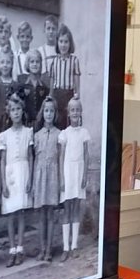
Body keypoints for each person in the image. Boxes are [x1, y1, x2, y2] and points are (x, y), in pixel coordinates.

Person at [0, 93, 33, 266]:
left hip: (23, 171)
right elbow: (3, 160)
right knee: (10, 214)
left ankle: (20, 248)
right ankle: (11, 249)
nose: (16, 112)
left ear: (22, 110)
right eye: (12, 110)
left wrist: (30, 178)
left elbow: (31, 157)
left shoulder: (28, 132)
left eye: (18, 109)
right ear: (9, 113)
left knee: (21, 213)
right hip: (10, 174)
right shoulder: (4, 135)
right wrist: (3, 183)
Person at [58, 97, 91, 260]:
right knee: (67, 209)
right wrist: (62, 179)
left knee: (76, 208)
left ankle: (74, 245)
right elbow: (62, 156)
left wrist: (85, 175)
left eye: (78, 109)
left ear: (81, 112)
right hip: (68, 171)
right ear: (68, 113)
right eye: (72, 110)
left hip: (79, 171)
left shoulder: (84, 133)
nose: (75, 112)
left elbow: (86, 154)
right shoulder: (64, 134)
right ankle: (65, 247)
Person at [33, 97, 60, 262]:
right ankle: (42, 248)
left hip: (52, 176)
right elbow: (35, 159)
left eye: (51, 111)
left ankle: (49, 249)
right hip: (40, 176)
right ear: (42, 113)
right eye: (46, 110)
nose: (48, 114)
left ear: (55, 113)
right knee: (41, 215)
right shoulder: (37, 135)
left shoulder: (59, 134)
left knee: (50, 214)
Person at [49, 24, 80, 130]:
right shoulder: (54, 60)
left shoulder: (74, 60)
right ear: (57, 43)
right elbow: (52, 79)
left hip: (69, 94)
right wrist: (51, 94)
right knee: (57, 120)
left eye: (66, 42)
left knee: (68, 121)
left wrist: (77, 93)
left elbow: (76, 77)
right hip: (57, 94)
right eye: (61, 41)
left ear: (70, 43)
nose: (63, 45)